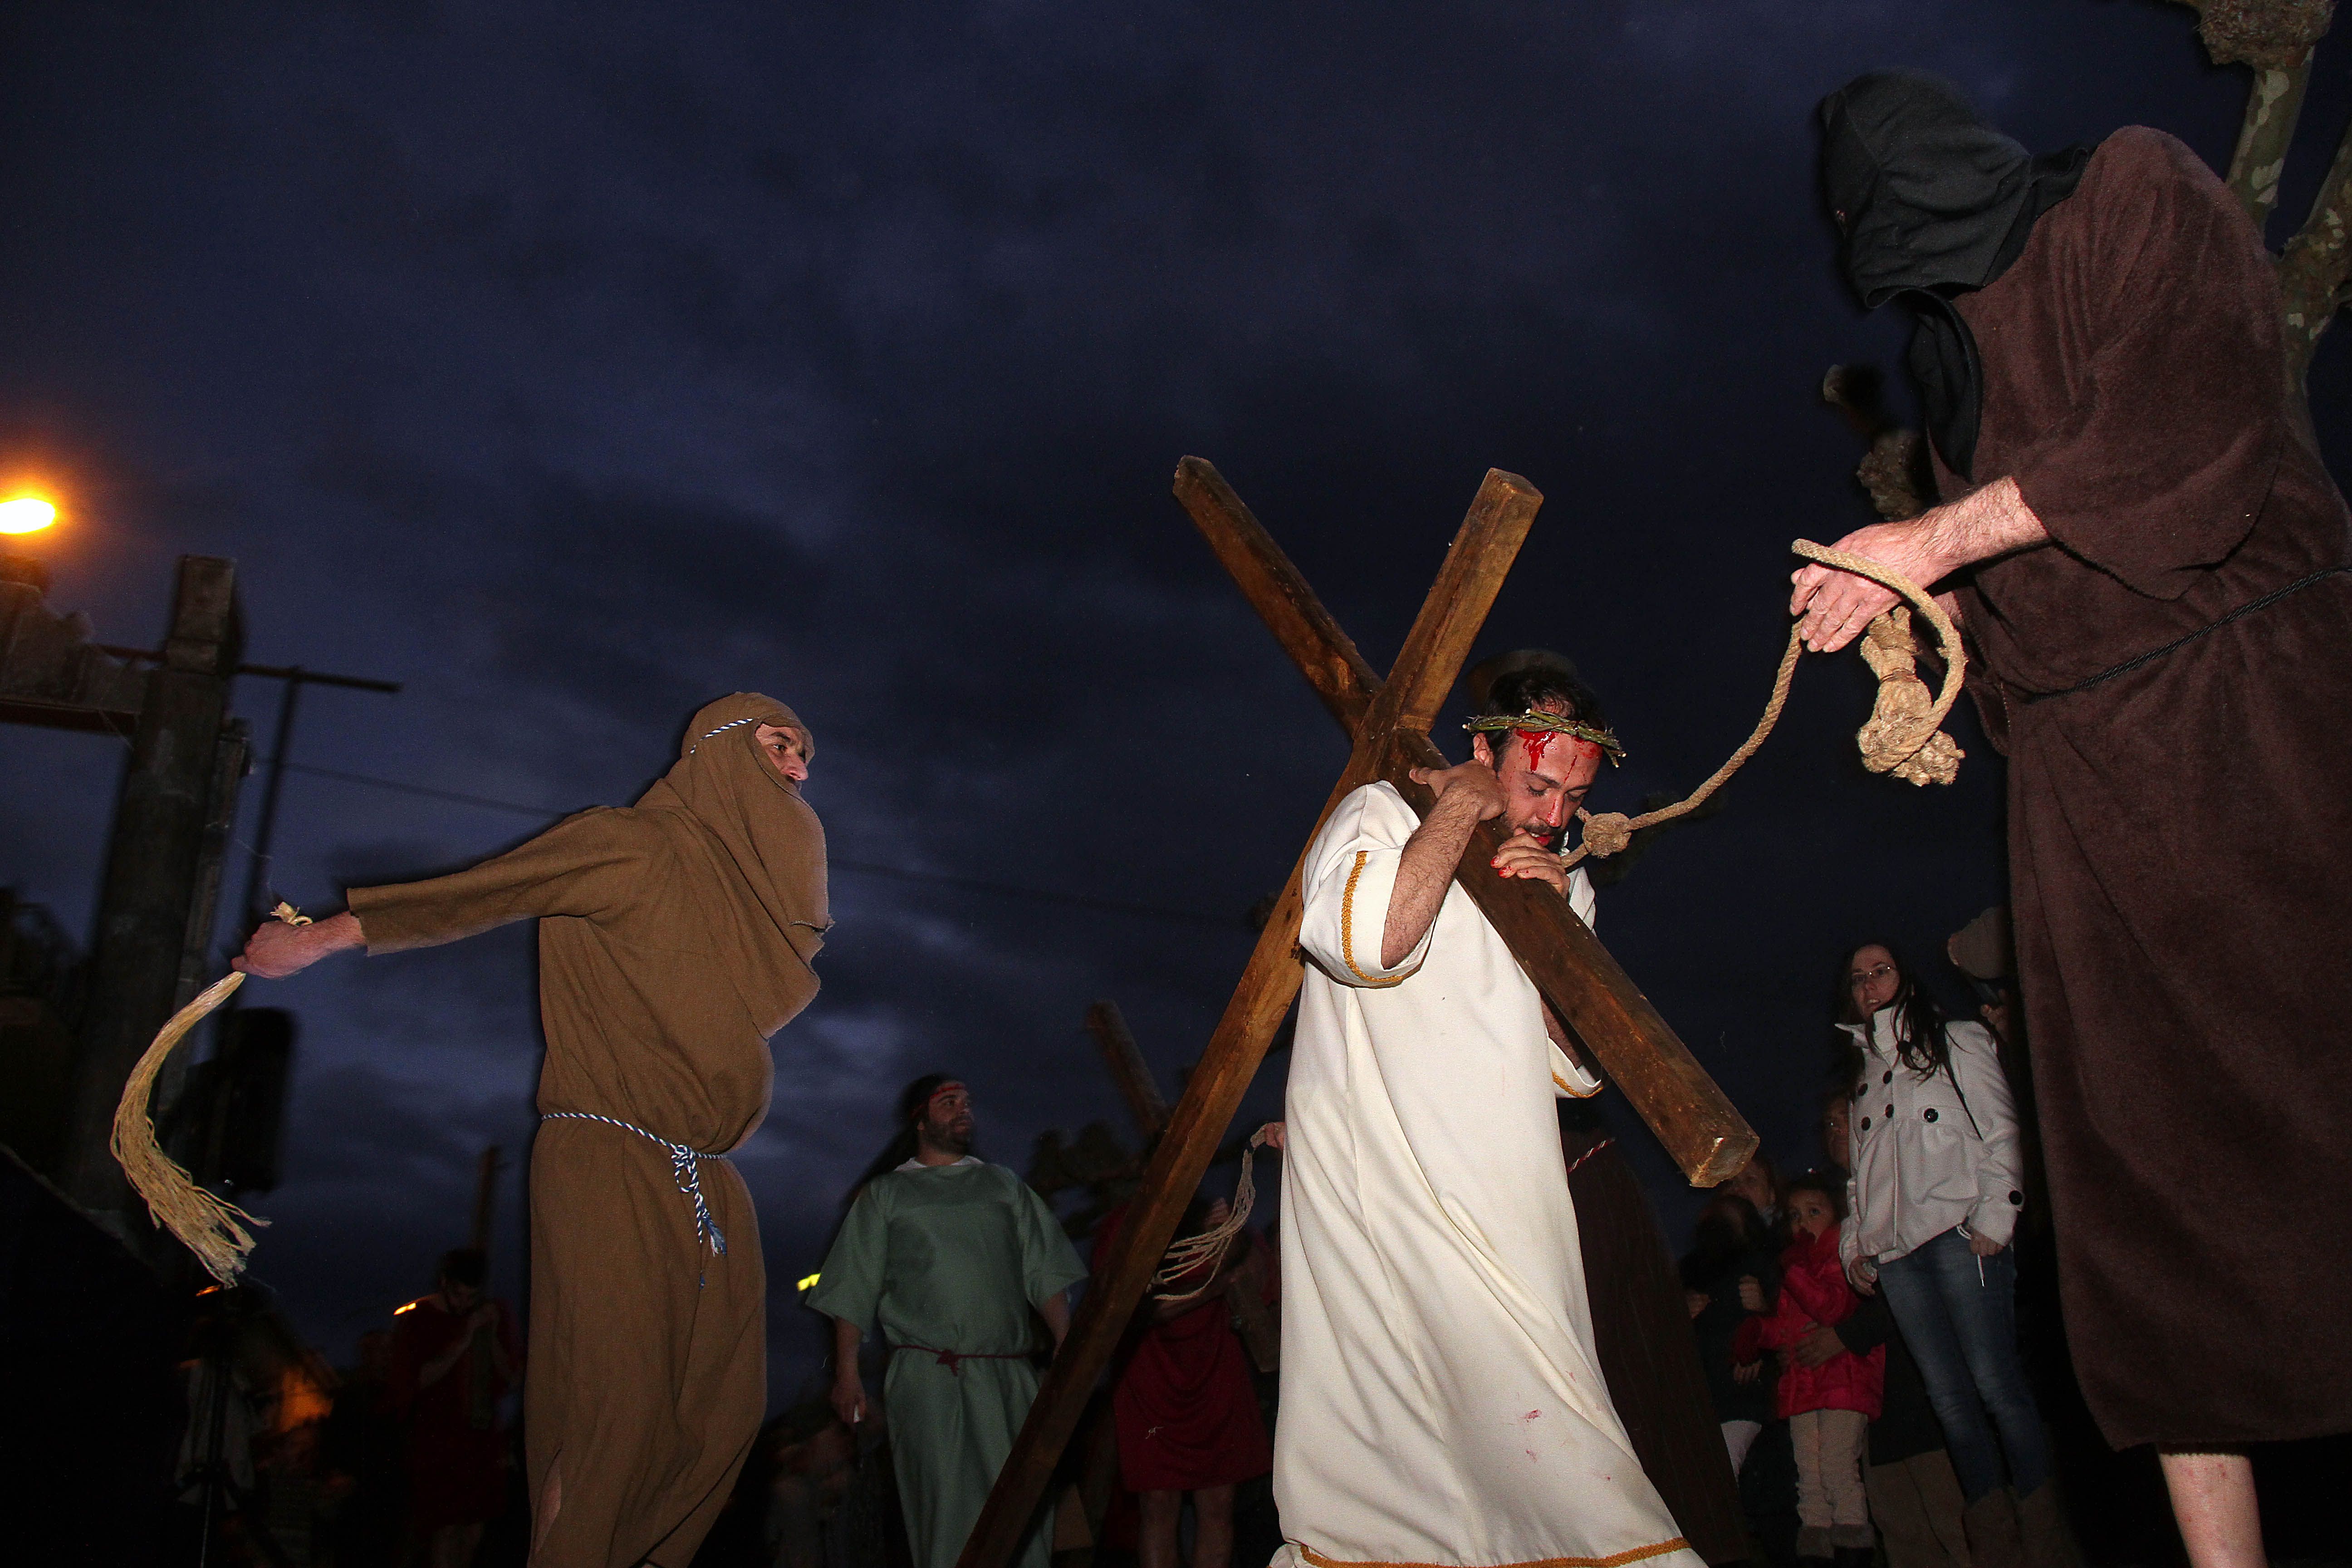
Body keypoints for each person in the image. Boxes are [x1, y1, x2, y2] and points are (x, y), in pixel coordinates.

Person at [1796, 71, 2352, 1568]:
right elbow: (2005, 592)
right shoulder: (1948, 369)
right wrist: (1924, 660)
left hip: (2258, 721)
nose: (1883, 236)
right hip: (2082, 791)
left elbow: (2188, 436)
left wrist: (1930, 538)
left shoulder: (2133, 193)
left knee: (2324, 1103)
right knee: (2139, 1192)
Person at [236, 692, 830, 1568]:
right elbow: (486, 891)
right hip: (611, 1149)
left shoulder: (745, 914)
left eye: (803, 752)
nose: (798, 766)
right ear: (719, 749)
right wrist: (322, 937)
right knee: (610, 1411)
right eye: (778, 744)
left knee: (715, 1416)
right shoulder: (629, 842)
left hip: (709, 1180)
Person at [1273, 660, 1702, 1568]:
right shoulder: (1381, 814)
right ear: (1480, 751)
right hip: (1382, 1189)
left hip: (1508, 1200)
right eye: (1536, 785)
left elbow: (1576, 1069)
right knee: (1378, 1466)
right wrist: (1460, 811)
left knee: (1553, 1439)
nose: (1553, 816)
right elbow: (1370, 943)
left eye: (1574, 798)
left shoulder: (1561, 883)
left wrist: (1552, 919)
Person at [809, 1076, 1088, 1568]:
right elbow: (854, 1286)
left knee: (1021, 1507)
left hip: (1009, 1375)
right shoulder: (887, 1194)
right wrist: (847, 1374)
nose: (964, 1111)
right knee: (946, 1510)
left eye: (967, 1103)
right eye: (949, 1103)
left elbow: (1045, 1270)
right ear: (920, 1119)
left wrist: (1065, 1338)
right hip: (929, 1377)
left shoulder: (1003, 1186)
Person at [1837, 942, 2052, 1568]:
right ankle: (1997, 1545)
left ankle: (2048, 1536)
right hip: (1898, 1257)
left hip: (1960, 1234)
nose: (1870, 984)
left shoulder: (1957, 1040)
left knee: (1997, 1385)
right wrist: (1856, 1245)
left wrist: (1997, 1213)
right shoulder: (1861, 1079)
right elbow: (1859, 1179)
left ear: (1906, 977)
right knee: (1950, 1402)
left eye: (1882, 971)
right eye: (1858, 978)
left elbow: (2001, 1127)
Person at [1797, 1089, 1967, 1568]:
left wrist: (1845, 1336)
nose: (1838, 1131)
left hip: (1919, 1385)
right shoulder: (1830, 1206)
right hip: (1868, 1398)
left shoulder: (1900, 1191)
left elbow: (1913, 1286)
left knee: (1950, 1515)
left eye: (1845, 1118)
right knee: (1902, 1528)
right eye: (1830, 1124)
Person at [1093, 1195, 1272, 1568]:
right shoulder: (1126, 1222)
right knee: (1158, 1502)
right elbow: (1134, 1308)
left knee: (1219, 1501)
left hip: (1215, 1363)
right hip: (1149, 1369)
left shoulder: (1215, 1215)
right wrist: (1215, 1287)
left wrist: (1232, 1234)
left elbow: (1254, 1280)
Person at [1744, 1174, 1883, 1568]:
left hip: (1843, 1381)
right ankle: (1817, 1549)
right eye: (1794, 1216)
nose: (1802, 1223)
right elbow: (1790, 1329)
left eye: (1814, 1212)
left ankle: (1853, 1547)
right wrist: (1760, 1332)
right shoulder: (1798, 1267)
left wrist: (1794, 1272)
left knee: (1837, 1467)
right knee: (1808, 1475)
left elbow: (1831, 1308)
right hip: (1803, 1387)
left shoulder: (1842, 1257)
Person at [391, 1248, 521, 1568]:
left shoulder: (492, 1314)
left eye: (471, 1297)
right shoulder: (421, 1317)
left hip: (480, 1439)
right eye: (458, 1295)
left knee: (474, 1528)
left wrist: (491, 1334)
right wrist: (463, 1339)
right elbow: (417, 1379)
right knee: (444, 1528)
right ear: (444, 1283)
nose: (464, 1304)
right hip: (438, 1439)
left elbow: (512, 1376)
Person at [1679, 1193, 1778, 1478]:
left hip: (1742, 1400)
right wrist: (1679, 1313)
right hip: (1697, 1403)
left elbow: (1792, 1325)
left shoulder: (1765, 1265)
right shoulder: (1688, 1271)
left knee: (1720, 1475)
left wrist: (1763, 1321)